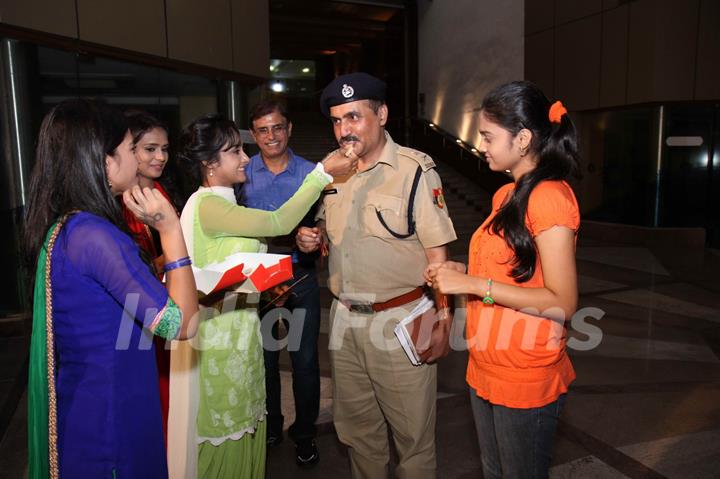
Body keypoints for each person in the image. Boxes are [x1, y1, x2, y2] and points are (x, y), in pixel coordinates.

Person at [167, 114, 356, 479]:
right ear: (209, 163)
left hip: (240, 335)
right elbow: (276, 224)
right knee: (224, 443)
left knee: (246, 432)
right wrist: (321, 174)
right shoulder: (208, 204)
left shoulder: (224, 204)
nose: (244, 158)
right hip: (219, 345)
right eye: (234, 151)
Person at [24, 99, 199, 479]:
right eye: (129, 150)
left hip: (89, 400)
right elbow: (180, 324)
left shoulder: (66, 227)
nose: (138, 161)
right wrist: (170, 231)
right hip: (113, 417)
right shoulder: (96, 235)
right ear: (103, 161)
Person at [296, 72, 457, 479]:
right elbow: (323, 236)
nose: (343, 130)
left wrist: (444, 318)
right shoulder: (332, 174)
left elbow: (439, 255)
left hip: (403, 318)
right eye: (336, 120)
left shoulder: (414, 171)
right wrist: (308, 241)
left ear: (381, 114)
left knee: (414, 443)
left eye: (353, 117)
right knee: (357, 435)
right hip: (345, 320)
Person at [425, 80, 580, 479]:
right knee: (495, 471)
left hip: (524, 371)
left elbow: (562, 302)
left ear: (524, 139)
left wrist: (476, 287)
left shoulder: (550, 198)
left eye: (489, 137)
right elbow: (510, 272)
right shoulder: (505, 196)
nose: (483, 145)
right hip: (487, 361)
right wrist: (463, 274)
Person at [241, 99, 322, 466]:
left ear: (289, 129)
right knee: (266, 363)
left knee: (304, 363)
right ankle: (271, 427)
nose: (271, 136)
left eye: (277, 127)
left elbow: (324, 221)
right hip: (261, 282)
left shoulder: (312, 173)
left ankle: (305, 435)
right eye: (263, 129)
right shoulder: (243, 172)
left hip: (301, 278)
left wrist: (319, 236)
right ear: (254, 135)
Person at [122, 109, 176, 439]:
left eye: (165, 149)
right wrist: (171, 258)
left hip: (167, 301)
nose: (160, 157)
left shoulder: (160, 192)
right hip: (139, 311)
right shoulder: (117, 203)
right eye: (150, 149)